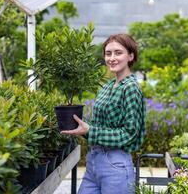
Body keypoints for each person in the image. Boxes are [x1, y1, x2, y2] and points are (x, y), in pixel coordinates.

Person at [61, 33, 146, 194]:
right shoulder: (107, 86)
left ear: (130, 56)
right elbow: (100, 126)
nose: (112, 58)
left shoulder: (130, 88)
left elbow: (130, 133)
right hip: (94, 162)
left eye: (118, 52)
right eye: (108, 53)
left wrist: (90, 131)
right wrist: (81, 127)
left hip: (116, 165)